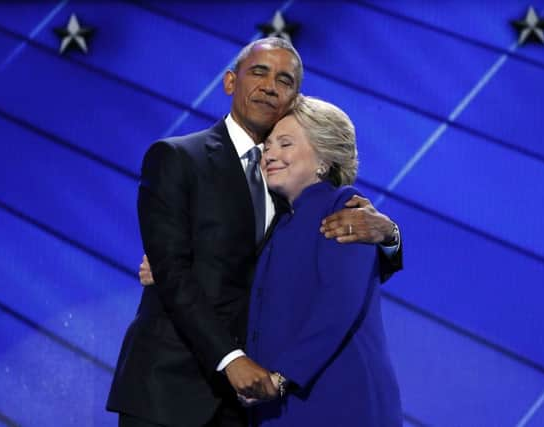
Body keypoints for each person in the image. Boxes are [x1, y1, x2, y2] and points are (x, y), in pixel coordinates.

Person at [107, 37, 402, 427]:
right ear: (230, 82)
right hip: (171, 388)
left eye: (285, 80)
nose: (270, 85)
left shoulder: (294, 186)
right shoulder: (178, 158)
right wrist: (231, 359)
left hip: (251, 400)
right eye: (259, 71)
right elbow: (173, 269)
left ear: (294, 98)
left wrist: (391, 234)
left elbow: (337, 272)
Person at [244, 95, 402, 425]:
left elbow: (340, 301)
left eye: (284, 143)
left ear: (323, 160)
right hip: (280, 408)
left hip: (337, 401)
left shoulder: (342, 206)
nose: (269, 154)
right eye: (267, 145)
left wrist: (282, 377)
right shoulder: (276, 223)